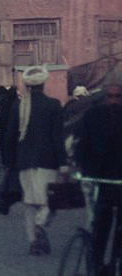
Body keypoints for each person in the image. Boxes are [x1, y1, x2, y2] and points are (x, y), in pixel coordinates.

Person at [3, 65, 67, 255]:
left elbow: (10, 136)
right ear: (44, 83)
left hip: (23, 162)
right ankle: (41, 225)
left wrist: (9, 161)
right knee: (49, 201)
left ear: (28, 86)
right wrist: (63, 163)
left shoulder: (18, 105)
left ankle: (33, 241)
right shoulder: (54, 105)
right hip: (48, 162)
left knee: (30, 203)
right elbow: (58, 137)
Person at [75, 79, 122, 273]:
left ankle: (115, 261)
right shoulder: (93, 116)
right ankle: (97, 263)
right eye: (110, 97)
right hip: (100, 178)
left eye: (118, 97)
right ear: (104, 98)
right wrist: (82, 170)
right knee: (101, 221)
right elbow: (82, 144)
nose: (113, 101)